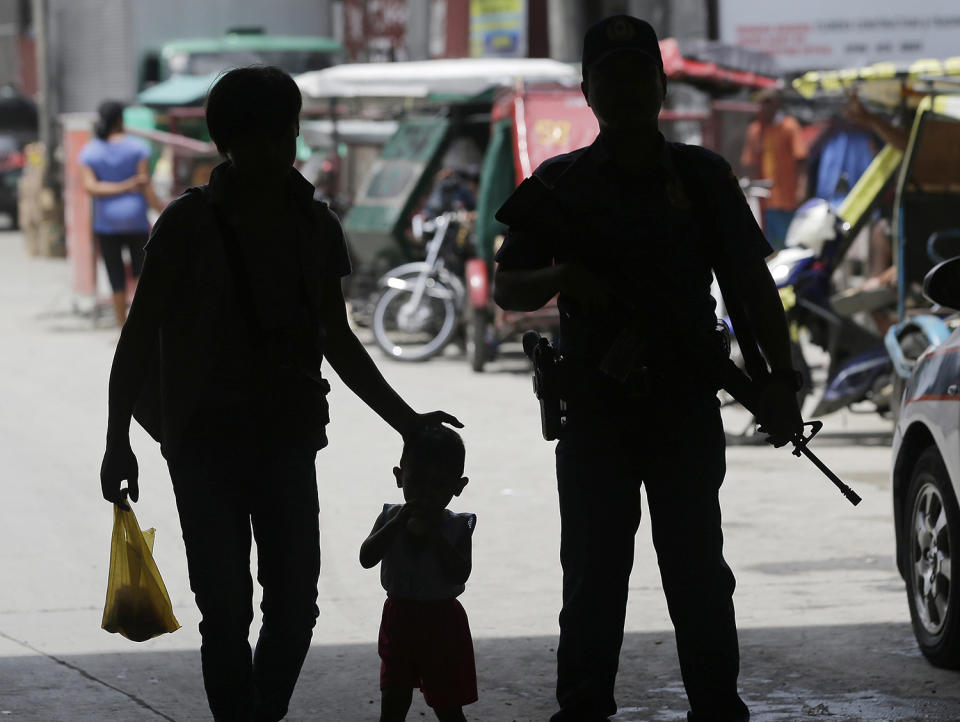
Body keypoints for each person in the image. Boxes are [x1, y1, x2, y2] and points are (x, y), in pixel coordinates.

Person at [98, 66, 462, 722]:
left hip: (286, 439)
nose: (272, 148)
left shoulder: (313, 227)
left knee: (295, 606)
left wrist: (406, 422)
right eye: (257, 136)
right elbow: (138, 335)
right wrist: (115, 439)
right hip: (203, 443)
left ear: (293, 135)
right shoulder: (185, 225)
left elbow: (339, 339)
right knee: (226, 610)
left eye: (280, 134)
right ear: (226, 141)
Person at [493, 15, 804, 722]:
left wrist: (778, 381)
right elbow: (510, 286)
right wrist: (566, 271)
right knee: (594, 576)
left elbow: (751, 290)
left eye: (640, 75)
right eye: (611, 76)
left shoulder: (700, 177)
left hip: (684, 403)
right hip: (596, 408)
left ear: (661, 87)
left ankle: (716, 705)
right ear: (587, 90)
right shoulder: (558, 183)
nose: (627, 90)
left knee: (697, 571)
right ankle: (583, 707)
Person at [359, 425, 477, 722]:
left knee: (448, 706)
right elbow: (366, 557)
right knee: (394, 700)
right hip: (398, 618)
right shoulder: (390, 516)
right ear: (400, 477)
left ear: (458, 487)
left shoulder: (457, 527)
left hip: (442, 624)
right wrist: (396, 524)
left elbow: (460, 573)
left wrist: (436, 535)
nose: (425, 494)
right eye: (417, 481)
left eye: (438, 485)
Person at [79, 100, 165, 325]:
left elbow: (91, 187)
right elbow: (146, 186)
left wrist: (118, 186)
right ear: (120, 119)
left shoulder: (90, 150)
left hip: (106, 223)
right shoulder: (138, 147)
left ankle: (121, 327)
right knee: (141, 274)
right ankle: (142, 324)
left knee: (115, 276)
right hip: (136, 220)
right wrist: (161, 210)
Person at [740, 88, 808, 251]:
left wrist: (802, 188)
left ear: (777, 104)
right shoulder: (756, 130)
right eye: (762, 103)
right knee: (768, 244)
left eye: (769, 102)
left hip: (788, 197)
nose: (765, 107)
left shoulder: (789, 126)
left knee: (789, 241)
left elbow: (801, 160)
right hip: (764, 200)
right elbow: (749, 162)